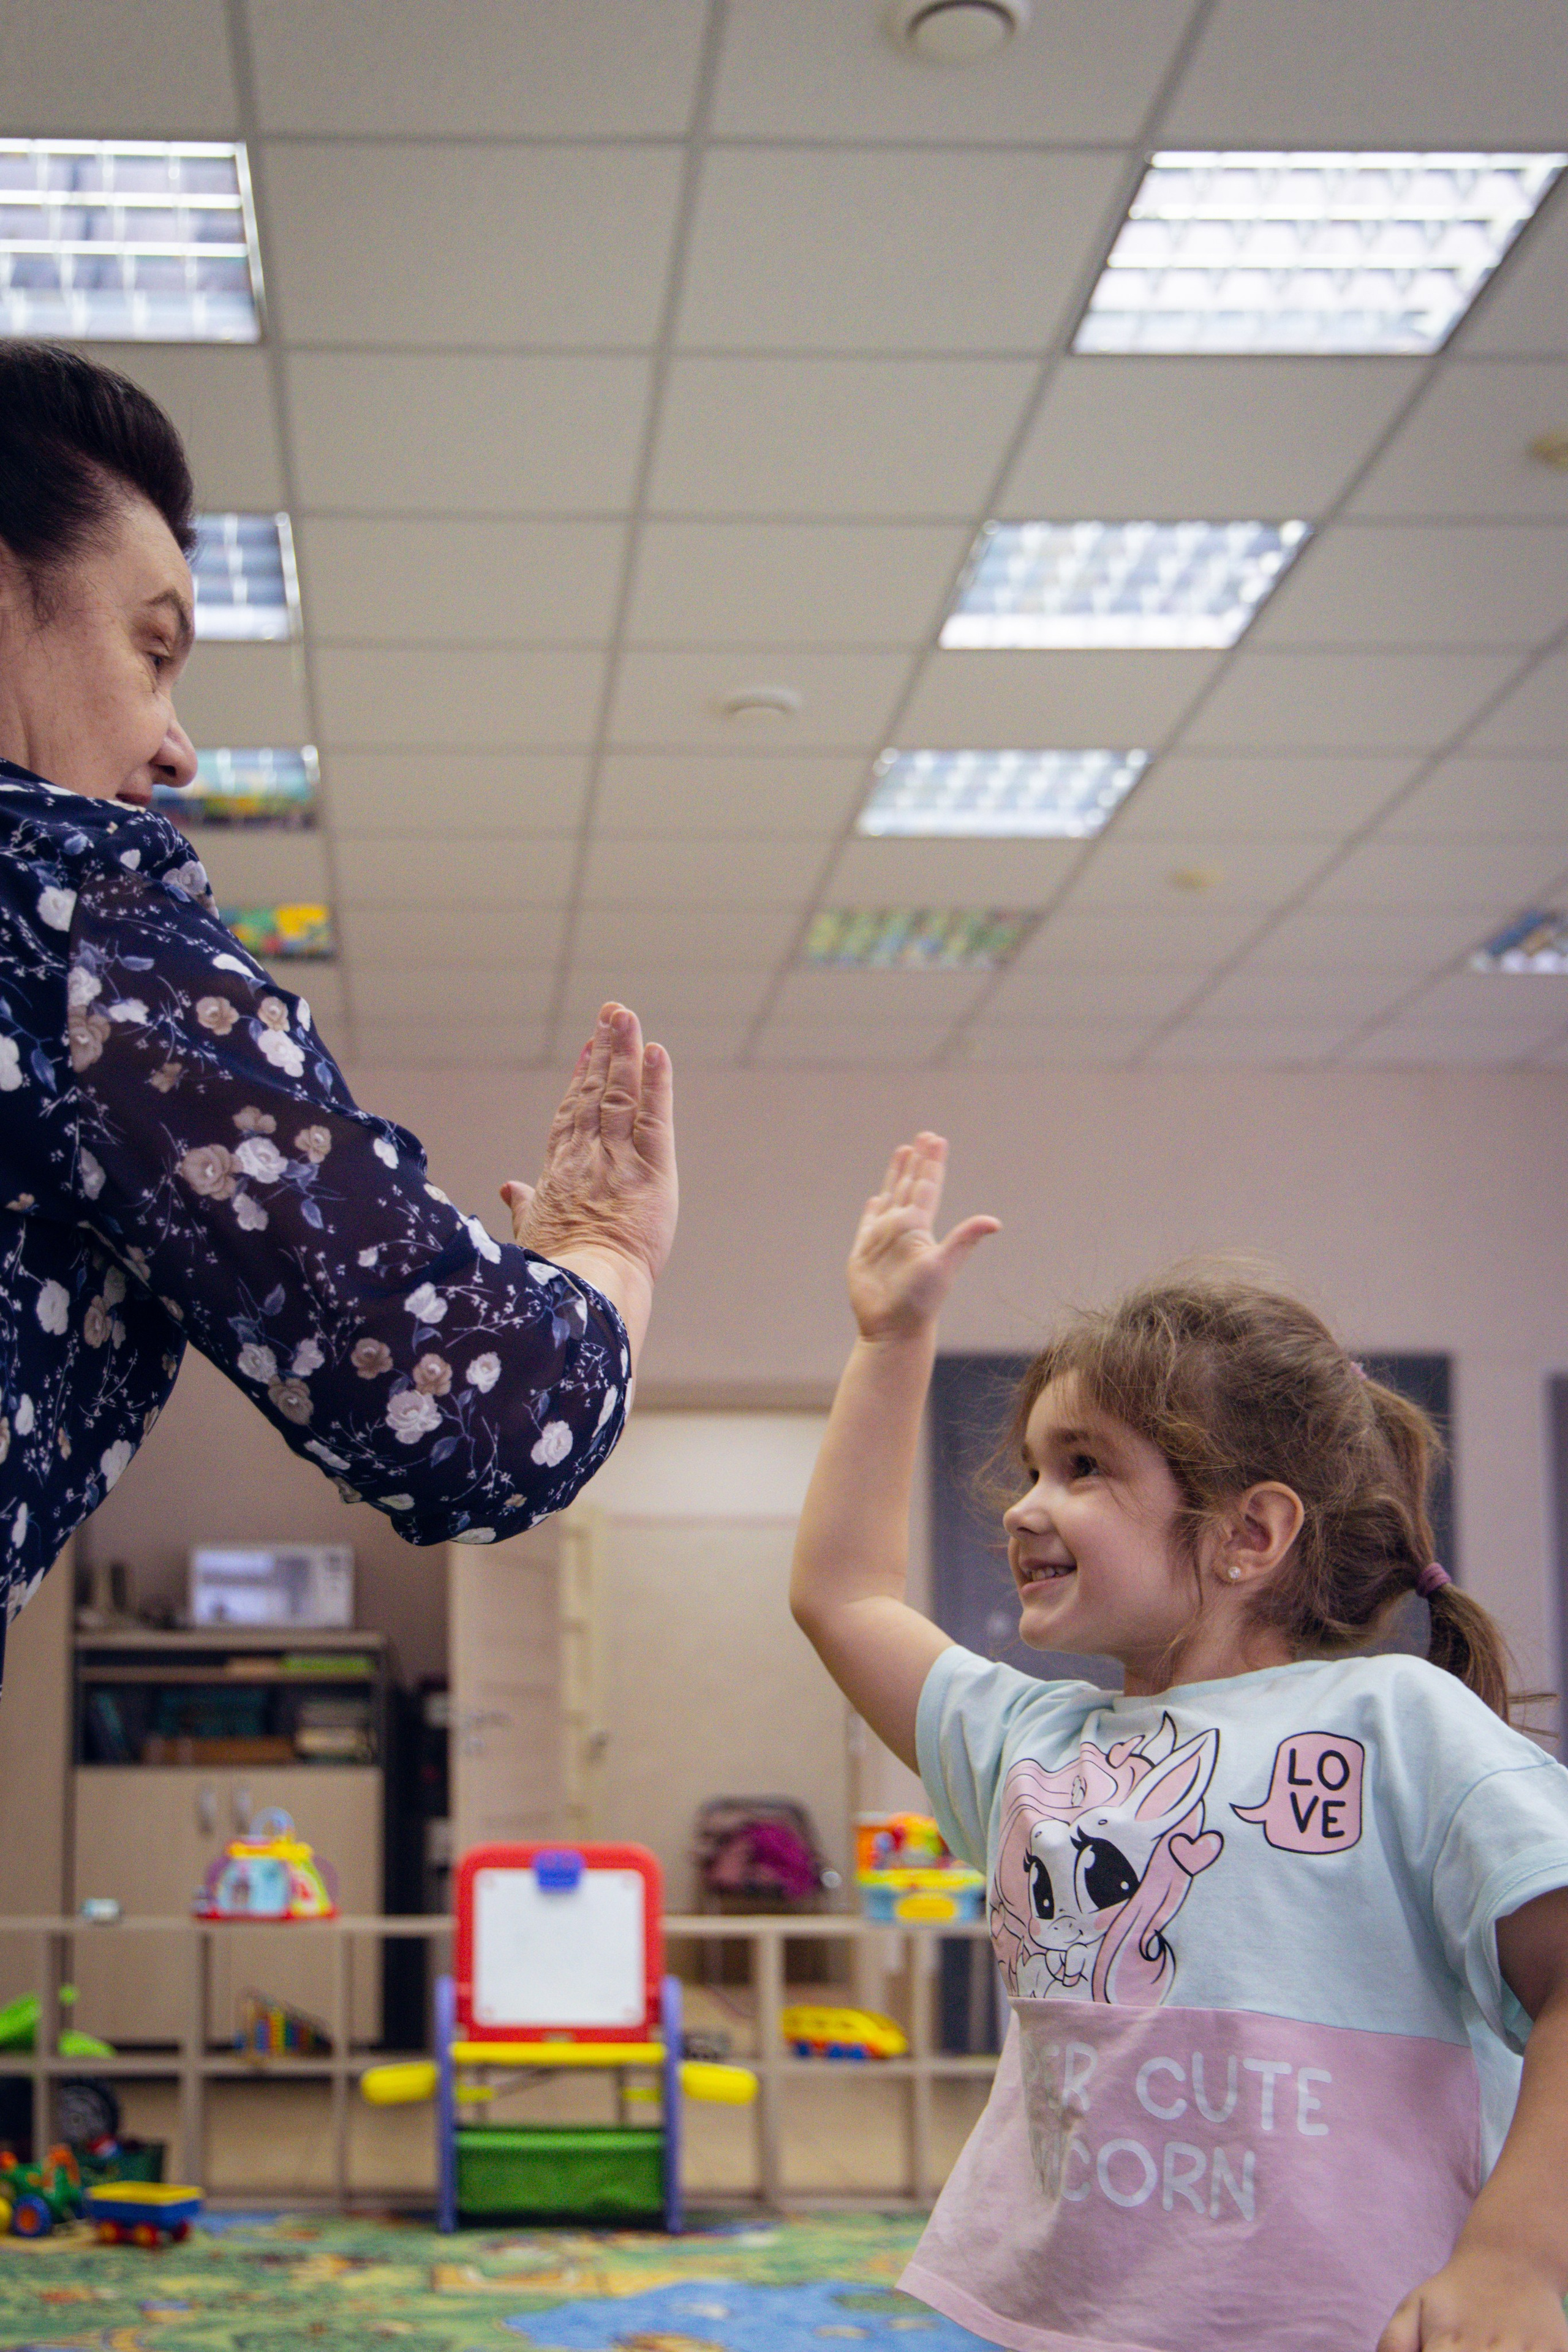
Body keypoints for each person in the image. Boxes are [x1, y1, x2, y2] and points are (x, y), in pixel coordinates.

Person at [791, 1131, 1568, 2352]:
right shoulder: (1027, 1746)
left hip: (1354, 2326)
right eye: (1034, 1466)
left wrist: (1515, 2260)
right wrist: (891, 1345)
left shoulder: (1392, 1721)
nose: (1026, 1505)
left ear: (1247, 1534)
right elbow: (840, 1595)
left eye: (1084, 1467)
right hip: (1067, 2323)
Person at [0, 342, 677, 1673]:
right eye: (152, 652)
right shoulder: (63, 911)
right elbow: (475, 1414)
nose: (176, 745)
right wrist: (611, 1251)